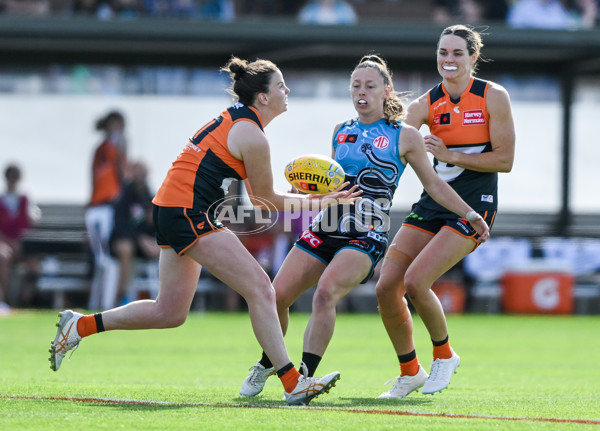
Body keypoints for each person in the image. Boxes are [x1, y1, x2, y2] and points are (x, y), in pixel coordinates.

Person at [49, 56, 362, 406]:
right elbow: (264, 203)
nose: (286, 91)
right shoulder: (252, 135)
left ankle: (79, 326)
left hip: (172, 208)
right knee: (261, 288)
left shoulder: (240, 125)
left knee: (169, 312)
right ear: (262, 97)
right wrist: (322, 201)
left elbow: (252, 197)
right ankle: (293, 382)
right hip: (187, 211)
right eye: (280, 86)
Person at [238, 54, 490, 398]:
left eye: (370, 86)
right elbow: (332, 183)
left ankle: (303, 378)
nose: (361, 92)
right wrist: (306, 189)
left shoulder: (406, 136)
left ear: (387, 91)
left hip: (365, 235)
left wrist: (470, 214)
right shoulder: (341, 131)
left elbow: (433, 184)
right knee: (275, 297)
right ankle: (269, 362)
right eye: (356, 85)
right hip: (324, 228)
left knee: (326, 292)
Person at [375, 25, 515, 399]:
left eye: (456, 53)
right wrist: (370, 96)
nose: (448, 60)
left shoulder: (493, 96)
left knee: (417, 282)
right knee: (387, 285)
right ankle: (409, 371)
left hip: (474, 207)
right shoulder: (425, 103)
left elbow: (506, 160)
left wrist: (450, 154)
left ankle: (445, 355)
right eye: (442, 53)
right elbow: (391, 131)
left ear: (473, 57)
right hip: (432, 202)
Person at [85, 110, 127, 311]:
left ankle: (100, 303)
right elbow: (121, 173)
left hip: (98, 208)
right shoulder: (109, 148)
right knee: (107, 260)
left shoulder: (101, 149)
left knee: (104, 260)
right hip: (103, 208)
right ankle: (107, 305)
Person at [109, 160, 159, 307]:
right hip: (122, 242)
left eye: (143, 173)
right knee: (126, 247)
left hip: (144, 247)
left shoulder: (151, 197)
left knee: (170, 248)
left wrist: (156, 240)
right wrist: (139, 238)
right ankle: (123, 295)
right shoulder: (123, 197)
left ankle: (168, 298)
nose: (140, 177)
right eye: (137, 173)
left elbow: (155, 225)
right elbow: (120, 226)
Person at [0, 164, 41, 313]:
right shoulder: (1, 199)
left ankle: (27, 300)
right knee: (2, 257)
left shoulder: (25, 199)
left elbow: (32, 220)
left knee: (33, 261)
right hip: (5, 243)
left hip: (22, 243)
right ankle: (6, 299)